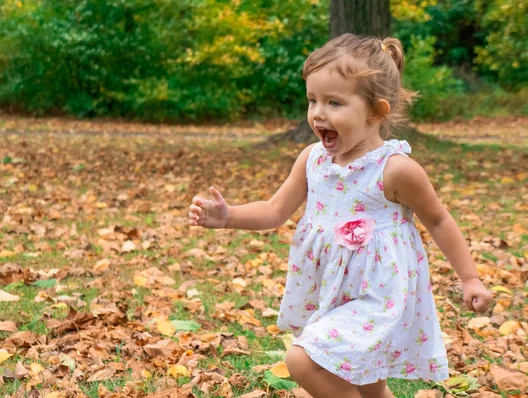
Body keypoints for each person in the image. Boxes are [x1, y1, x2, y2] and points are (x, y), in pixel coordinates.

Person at [188, 33, 492, 398]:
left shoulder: (395, 170)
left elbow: (440, 220)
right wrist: (228, 216)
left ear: (376, 111)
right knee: (367, 385)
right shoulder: (312, 159)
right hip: (333, 289)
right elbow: (274, 210)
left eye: (334, 102)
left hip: (380, 294)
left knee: (302, 361)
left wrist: (470, 278)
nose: (318, 113)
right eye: (312, 100)